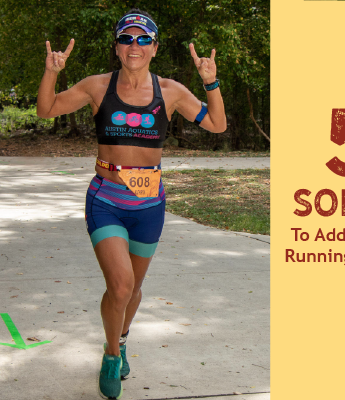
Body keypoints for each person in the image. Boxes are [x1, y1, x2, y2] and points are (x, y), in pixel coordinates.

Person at [37, 8, 226, 399]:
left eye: (143, 39)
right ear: (117, 47)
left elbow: (216, 125)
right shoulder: (96, 86)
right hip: (106, 198)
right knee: (120, 286)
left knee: (135, 289)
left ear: (154, 47)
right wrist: (52, 72)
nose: (134, 46)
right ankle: (110, 356)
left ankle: (121, 339)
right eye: (127, 39)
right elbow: (46, 109)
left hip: (149, 205)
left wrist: (211, 82)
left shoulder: (170, 91)